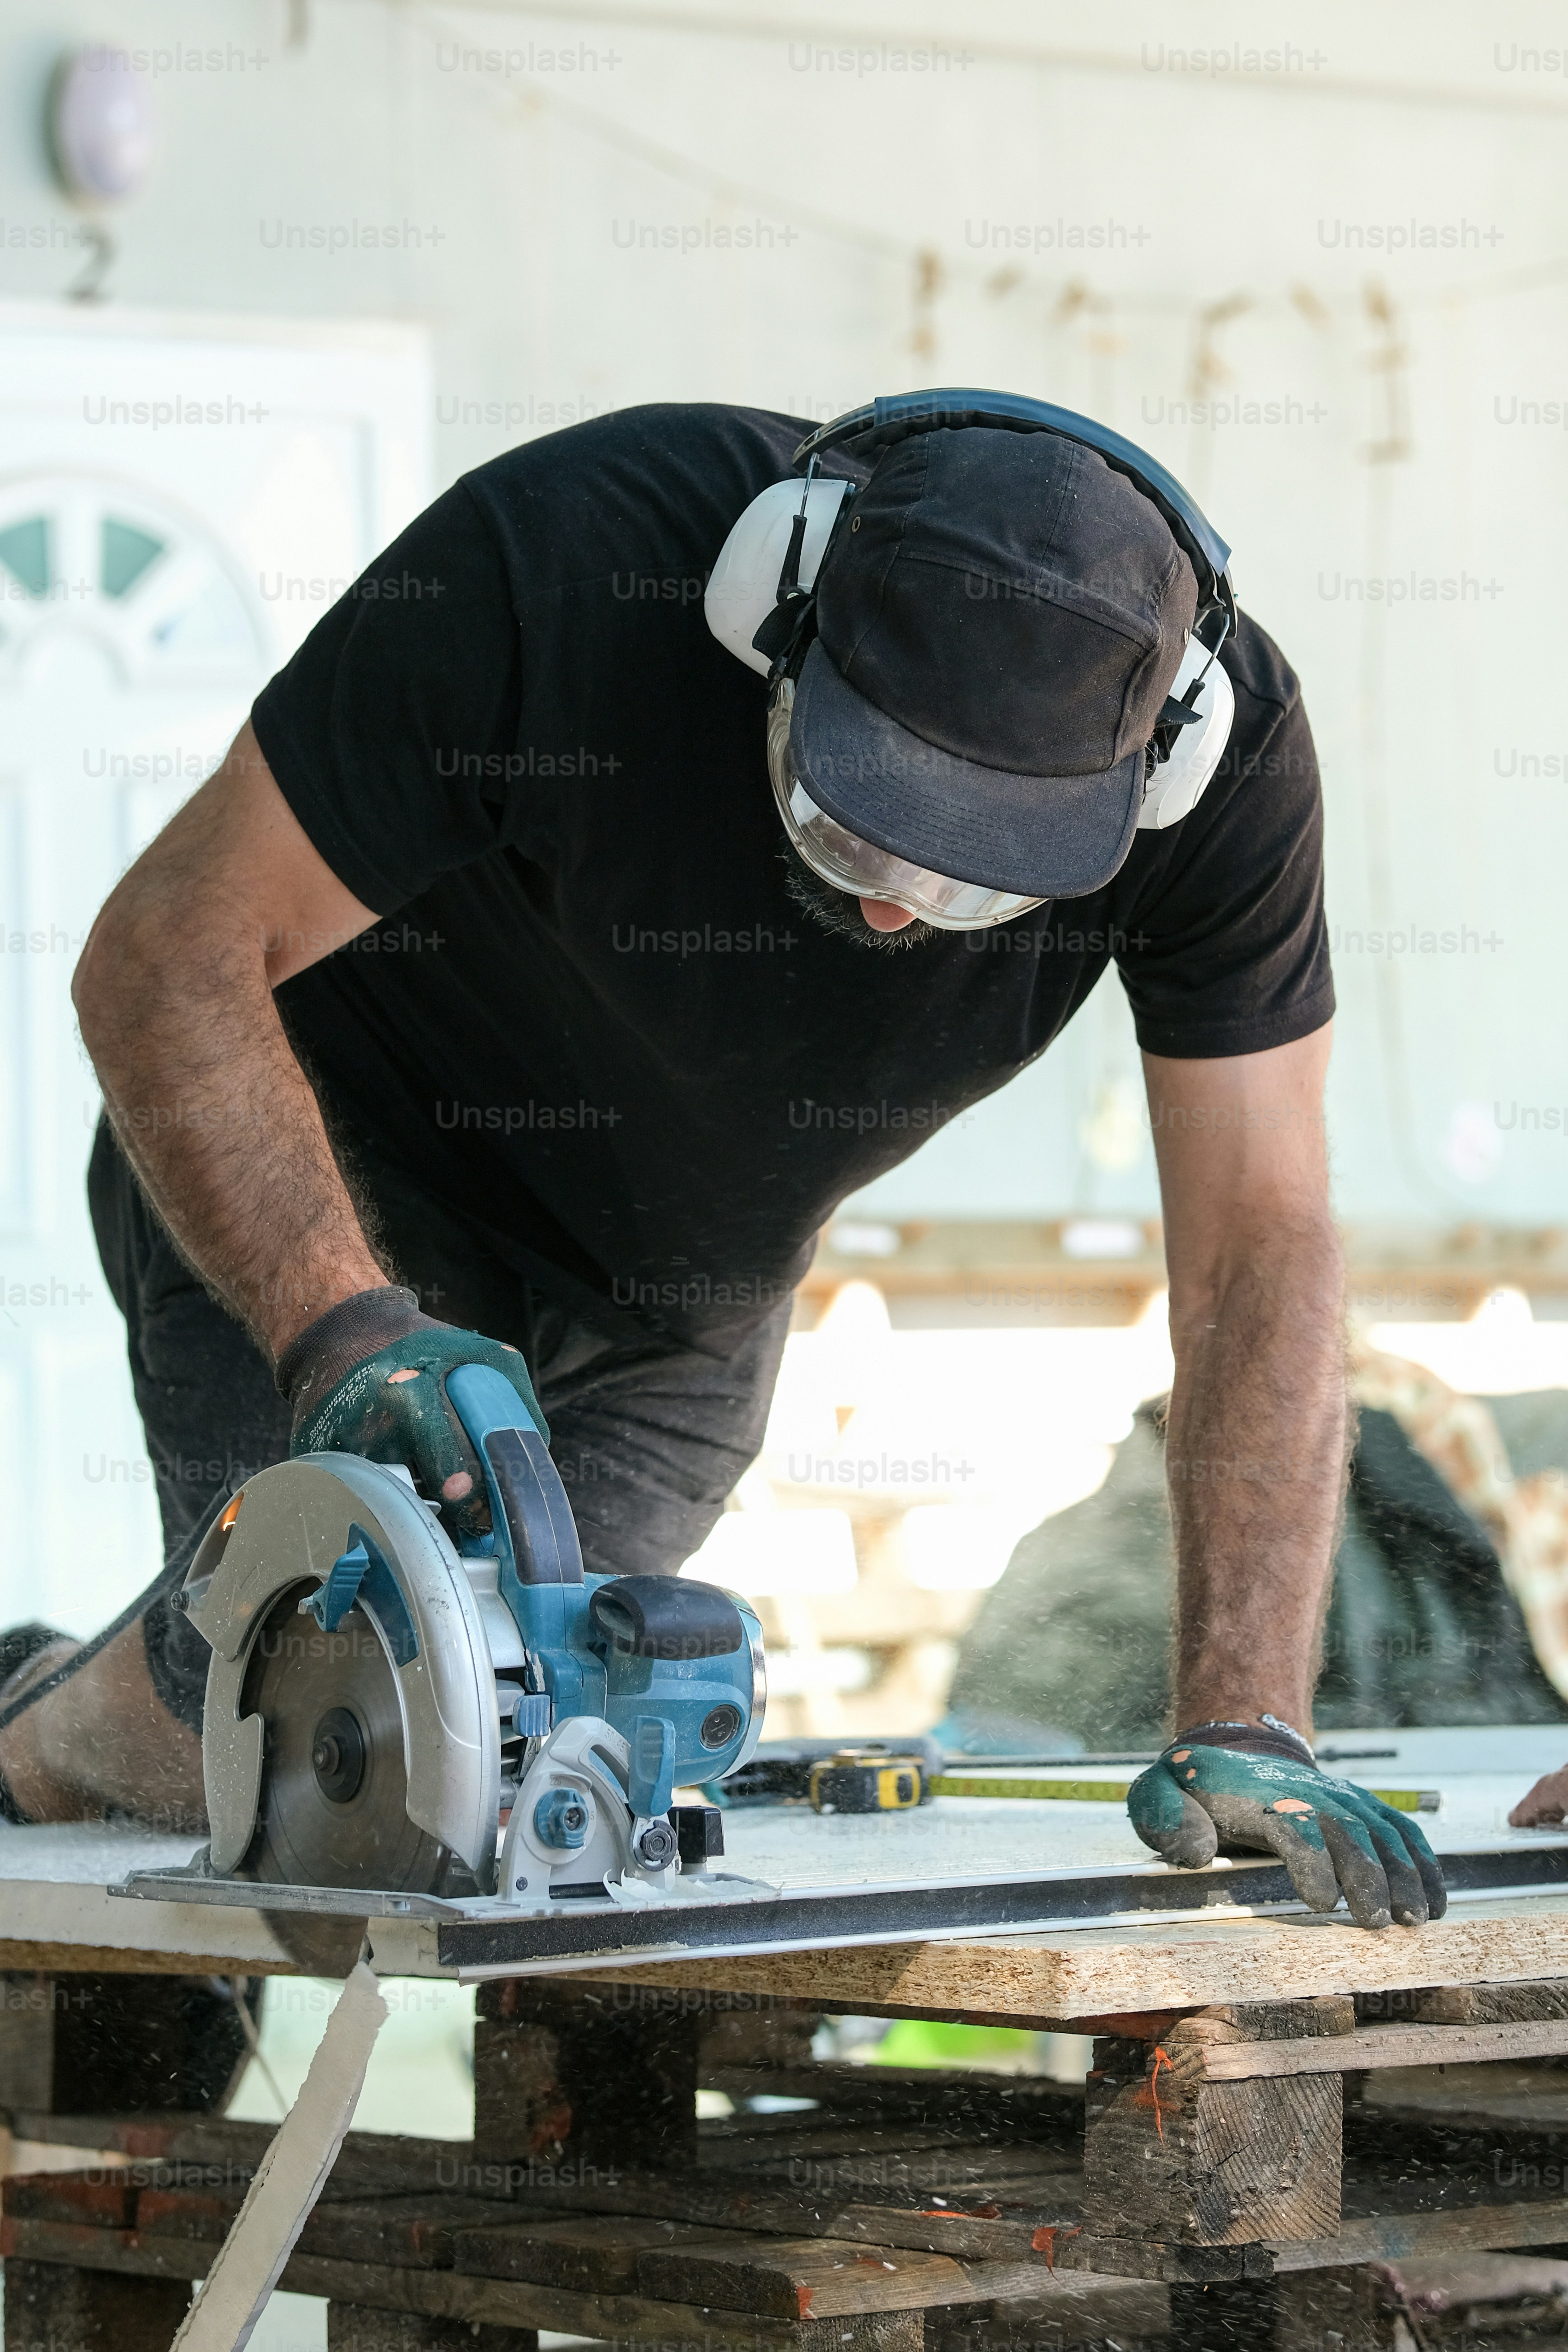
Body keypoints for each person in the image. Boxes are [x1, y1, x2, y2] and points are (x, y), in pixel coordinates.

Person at [0, 394, 1443, 1930]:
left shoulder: (1232, 776)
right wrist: (344, 1326)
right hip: (340, 1170)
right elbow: (165, 953)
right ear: (776, 604)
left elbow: (1258, 1246)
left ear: (1154, 769)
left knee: (522, 1740)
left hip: (688, 1300)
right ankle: (32, 1736)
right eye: (855, 826)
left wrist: (1247, 1717)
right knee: (244, 1698)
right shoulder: (566, 559)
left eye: (970, 884)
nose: (895, 917)